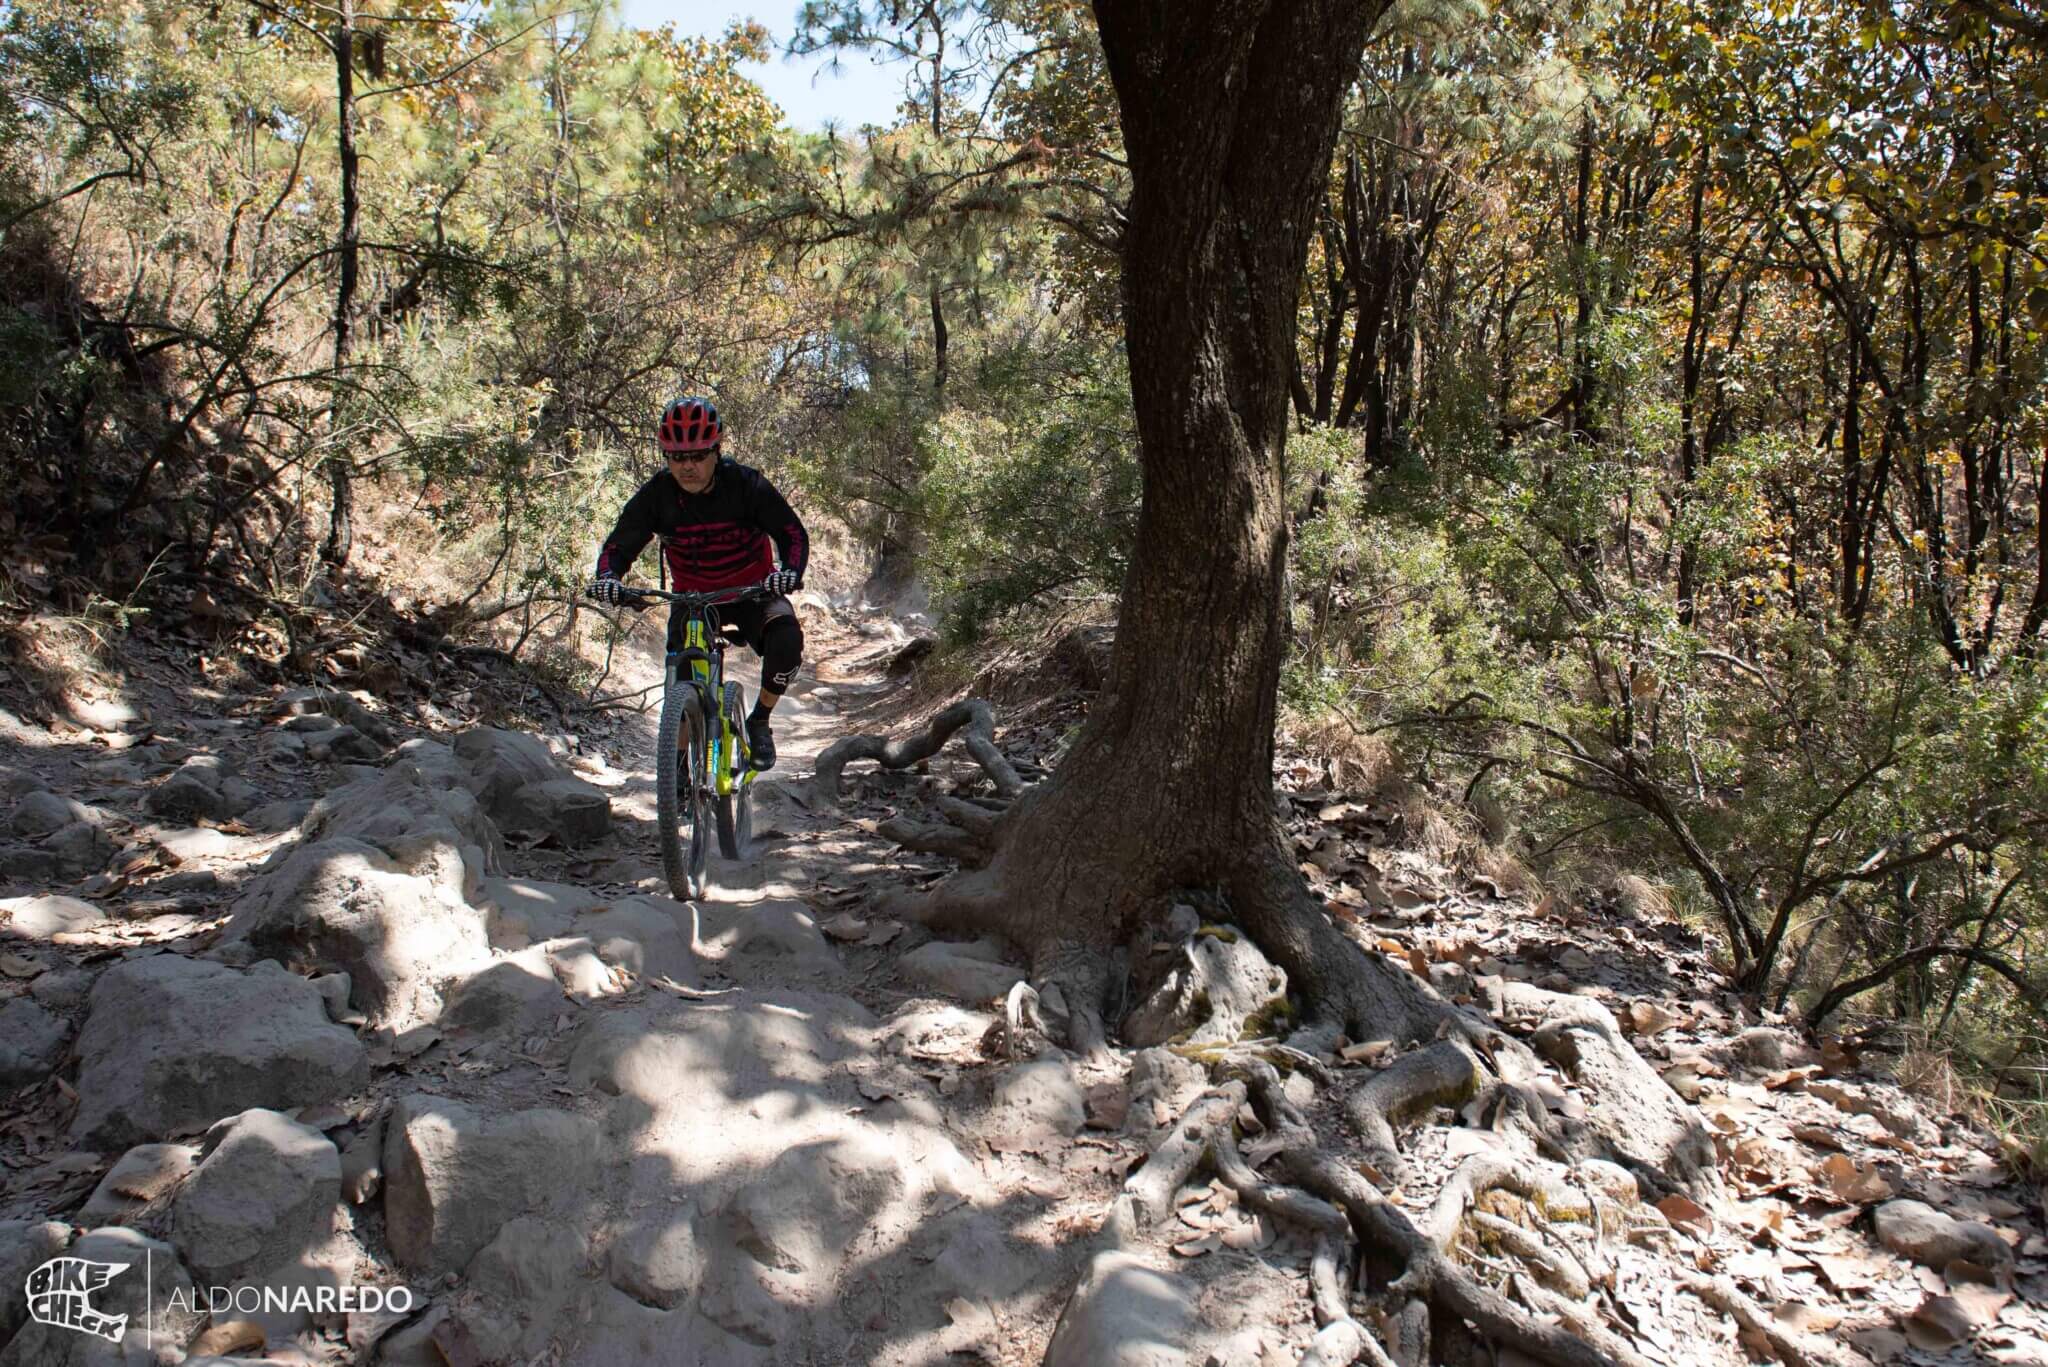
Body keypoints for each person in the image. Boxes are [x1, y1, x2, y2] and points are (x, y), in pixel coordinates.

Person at [588, 396, 808, 770]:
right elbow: (619, 545)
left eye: (698, 455)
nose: (687, 466)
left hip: (753, 591)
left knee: (786, 640)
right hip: (693, 600)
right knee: (682, 681)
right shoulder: (657, 495)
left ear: (716, 451)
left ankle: (759, 720)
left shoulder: (746, 485)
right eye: (677, 457)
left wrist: (790, 572)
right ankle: (676, 771)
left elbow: (792, 533)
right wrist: (608, 577)